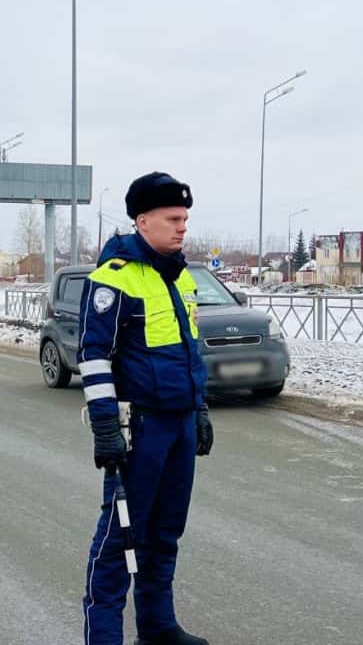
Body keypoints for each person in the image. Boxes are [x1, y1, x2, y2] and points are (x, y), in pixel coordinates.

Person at [78, 171, 213, 645]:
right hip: (139, 428)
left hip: (177, 424)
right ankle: (103, 637)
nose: (182, 228)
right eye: (173, 219)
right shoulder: (113, 279)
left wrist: (199, 408)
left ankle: (157, 627)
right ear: (142, 221)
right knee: (118, 541)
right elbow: (93, 356)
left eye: (185, 219)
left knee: (164, 533)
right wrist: (104, 427)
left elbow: (189, 348)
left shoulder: (178, 278)